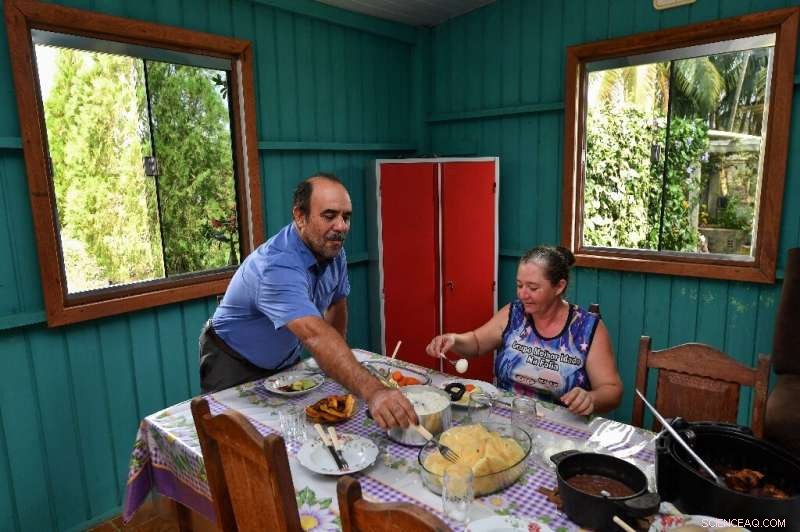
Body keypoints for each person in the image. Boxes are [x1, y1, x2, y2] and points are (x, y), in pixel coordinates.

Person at [200, 172, 417, 429]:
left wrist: (337, 368)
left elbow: (337, 303)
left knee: (295, 434)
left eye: (346, 217)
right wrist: (376, 392)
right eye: (329, 215)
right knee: (237, 444)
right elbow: (314, 335)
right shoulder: (275, 265)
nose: (341, 226)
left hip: (285, 361)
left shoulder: (334, 251)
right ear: (300, 217)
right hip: (233, 361)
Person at [425, 245, 622, 416]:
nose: (522, 294)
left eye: (533, 288)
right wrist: (454, 340)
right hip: (505, 417)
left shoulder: (587, 328)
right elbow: (477, 343)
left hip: (561, 428)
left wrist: (591, 398)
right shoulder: (514, 313)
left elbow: (612, 390)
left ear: (559, 286)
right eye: (519, 285)